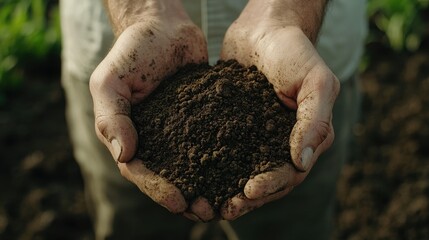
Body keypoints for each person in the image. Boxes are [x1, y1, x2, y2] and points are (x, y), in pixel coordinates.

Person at [60, 0, 367, 239]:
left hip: (296, 66)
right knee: (133, 224)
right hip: (128, 68)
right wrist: (143, 12)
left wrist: (287, 12)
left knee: (287, 227)